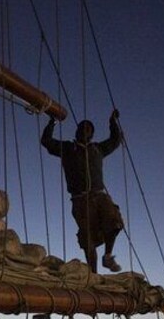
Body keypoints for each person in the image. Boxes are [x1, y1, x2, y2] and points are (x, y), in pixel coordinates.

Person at [41, 110, 124, 273]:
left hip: (99, 194)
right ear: (77, 131)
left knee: (114, 220)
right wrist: (52, 122)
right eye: (82, 128)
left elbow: (116, 140)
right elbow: (46, 141)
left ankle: (107, 256)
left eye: (88, 129)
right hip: (80, 199)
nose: (84, 131)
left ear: (92, 134)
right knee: (87, 238)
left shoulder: (98, 149)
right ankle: (93, 274)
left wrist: (112, 122)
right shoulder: (67, 148)